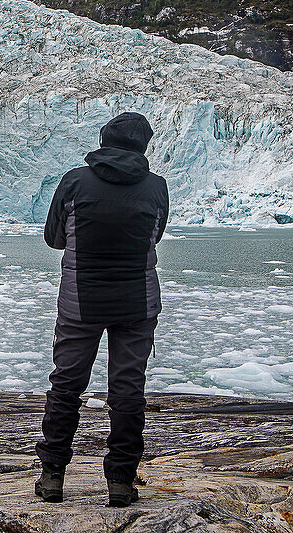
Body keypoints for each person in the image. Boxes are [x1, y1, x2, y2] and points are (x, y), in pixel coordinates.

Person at [35, 112, 168, 508]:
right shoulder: (156, 187)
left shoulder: (76, 181)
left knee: (67, 386)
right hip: (138, 303)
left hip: (80, 302)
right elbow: (154, 234)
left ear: (104, 139)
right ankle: (121, 483)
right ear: (144, 145)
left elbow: (54, 238)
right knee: (128, 391)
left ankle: (53, 476)